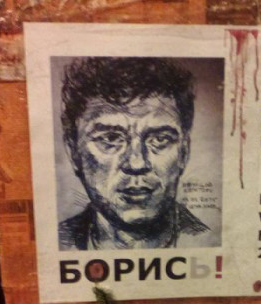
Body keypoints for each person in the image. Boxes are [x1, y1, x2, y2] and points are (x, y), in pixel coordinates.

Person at [58, 57, 218, 250]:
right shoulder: (53, 245)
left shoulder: (213, 242)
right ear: (74, 152)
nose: (137, 163)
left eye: (159, 139)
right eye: (110, 138)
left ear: (184, 152)